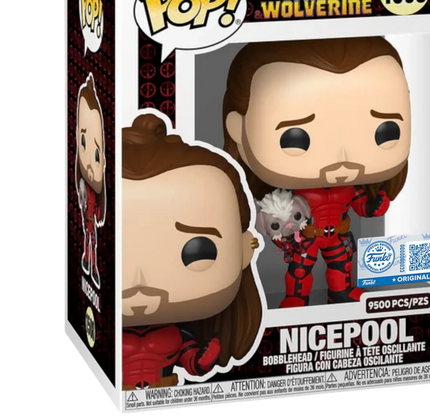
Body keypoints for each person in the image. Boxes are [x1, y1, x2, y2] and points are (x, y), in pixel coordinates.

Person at [223, 37, 411, 307]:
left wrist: (374, 206)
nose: (342, 158)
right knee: (299, 272)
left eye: (385, 132)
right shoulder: (294, 194)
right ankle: (296, 298)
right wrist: (283, 235)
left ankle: (341, 294)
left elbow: (361, 205)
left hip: (338, 235)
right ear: (237, 129)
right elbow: (279, 216)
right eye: (294, 138)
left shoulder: (351, 188)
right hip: (307, 237)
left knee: (342, 267)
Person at [122, 112, 262, 389]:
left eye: (198, 252)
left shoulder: (180, 335)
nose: (141, 284)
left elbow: (193, 363)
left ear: (244, 249)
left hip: (166, 390)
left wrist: (206, 357)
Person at [76, 73, 106, 290]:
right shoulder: (83, 185)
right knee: (90, 236)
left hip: (90, 214)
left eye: (97, 155)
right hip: (88, 214)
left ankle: (91, 263)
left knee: (92, 237)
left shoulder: (95, 189)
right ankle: (89, 262)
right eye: (83, 141)